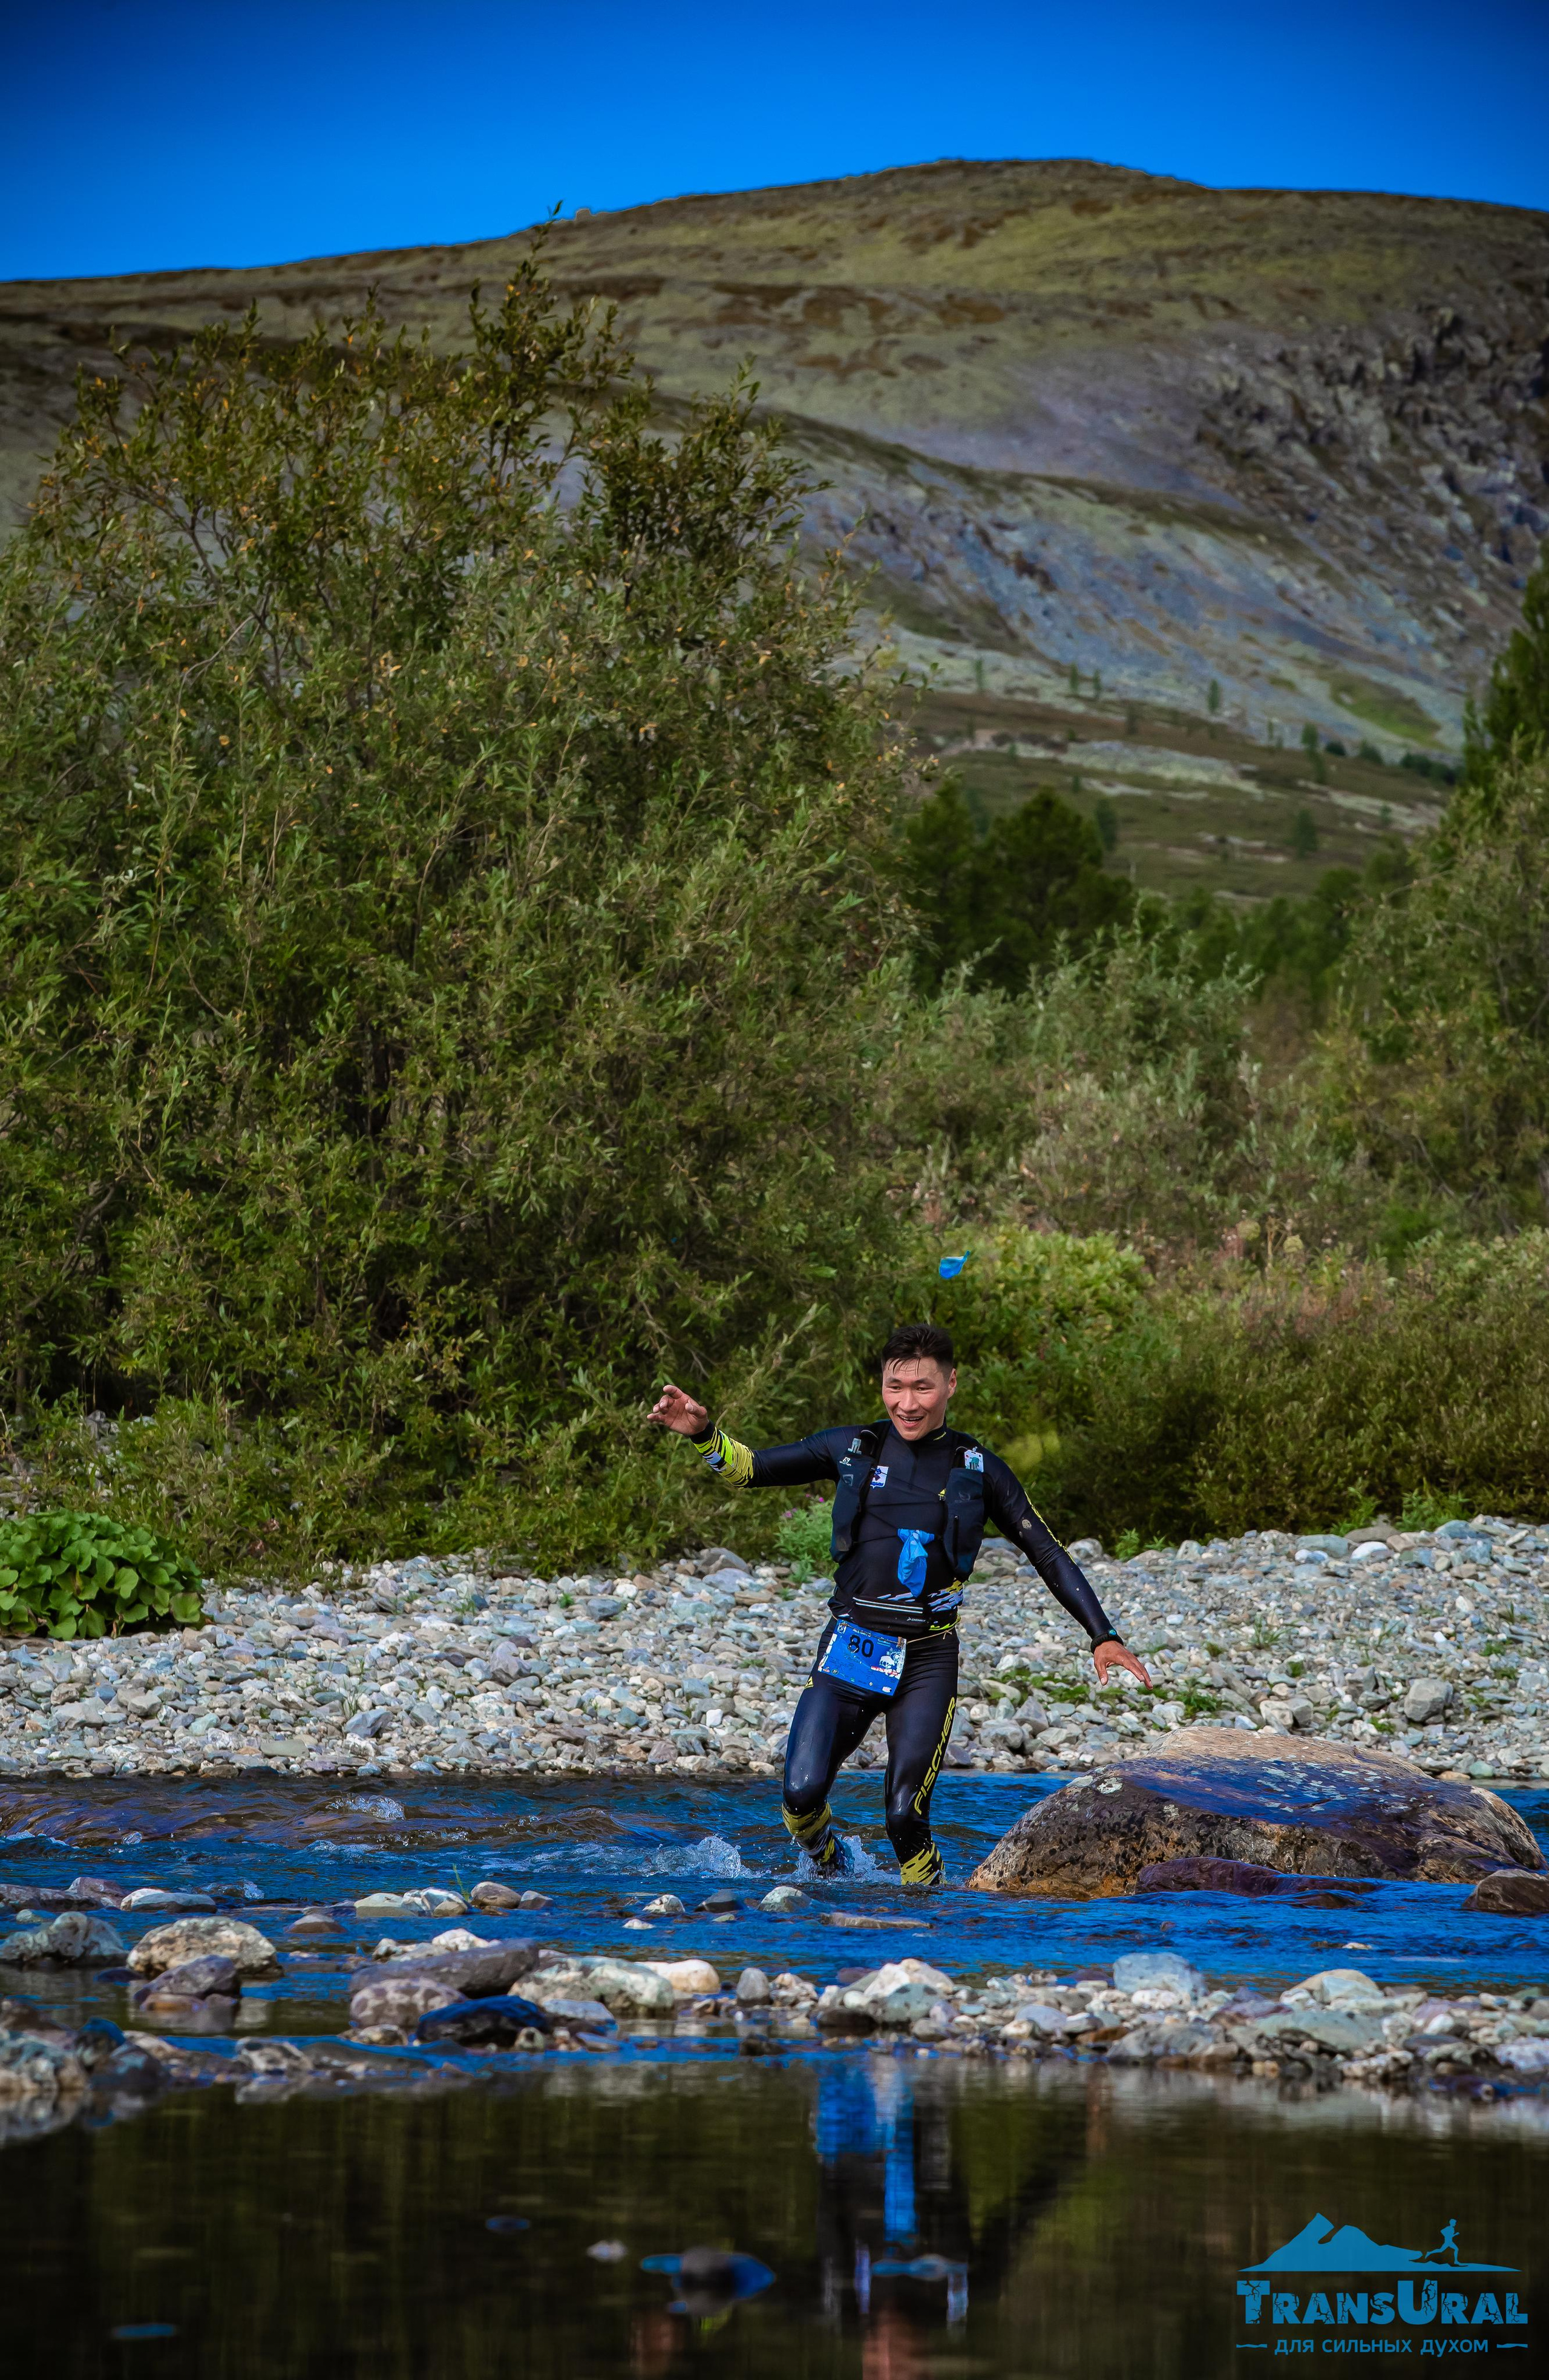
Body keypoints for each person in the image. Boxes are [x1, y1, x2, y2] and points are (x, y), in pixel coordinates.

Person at [648, 1321, 1150, 1886]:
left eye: (923, 1388)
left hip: (927, 1659)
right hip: (852, 1648)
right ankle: (834, 1871)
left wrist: (1101, 1633)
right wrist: (703, 1434)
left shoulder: (980, 1469)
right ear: (882, 1382)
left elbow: (1047, 1552)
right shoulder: (852, 1447)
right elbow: (754, 1470)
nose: (907, 1404)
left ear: (952, 1384)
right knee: (799, 1797)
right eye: (896, 1387)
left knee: (903, 1816)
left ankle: (928, 1922)